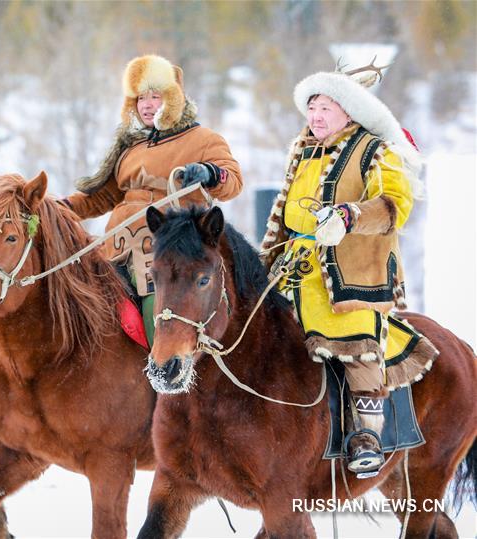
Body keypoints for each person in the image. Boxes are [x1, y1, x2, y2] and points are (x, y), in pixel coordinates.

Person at [260, 66, 438, 475]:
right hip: (296, 273)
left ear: (349, 111)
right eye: (311, 107)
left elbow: (396, 205)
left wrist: (349, 215)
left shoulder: (375, 150)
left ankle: (367, 435)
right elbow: (284, 216)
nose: (316, 116)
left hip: (354, 277)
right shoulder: (301, 151)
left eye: (326, 107)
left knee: (356, 343)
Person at [63, 54, 243, 345]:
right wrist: (63, 208)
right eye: (140, 98)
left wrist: (209, 173)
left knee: (155, 316)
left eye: (155, 96)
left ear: (173, 98)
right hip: (116, 249)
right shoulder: (132, 147)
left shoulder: (203, 139)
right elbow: (102, 196)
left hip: (166, 255)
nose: (146, 105)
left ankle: (163, 376)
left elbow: (233, 182)